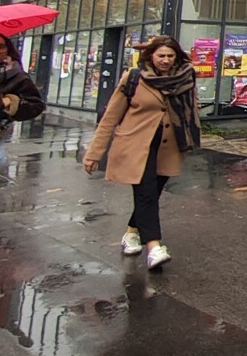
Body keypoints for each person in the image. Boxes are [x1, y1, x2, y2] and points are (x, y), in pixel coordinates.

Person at [83, 36, 201, 271]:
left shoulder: (186, 78)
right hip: (137, 145)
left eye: (170, 56)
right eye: (161, 56)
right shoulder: (135, 78)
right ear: (150, 57)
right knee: (146, 192)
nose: (166, 60)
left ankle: (131, 233)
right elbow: (111, 117)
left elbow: (192, 109)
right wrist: (94, 153)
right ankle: (154, 248)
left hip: (169, 146)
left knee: (152, 192)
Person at [0, 34, 47, 169]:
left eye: (0, 47)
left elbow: (36, 105)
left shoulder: (17, 76)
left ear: (7, 49)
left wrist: (12, 102)